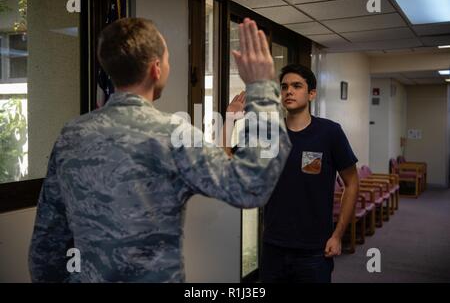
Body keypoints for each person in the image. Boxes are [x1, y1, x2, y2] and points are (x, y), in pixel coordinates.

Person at [28, 17, 292, 282]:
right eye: (166, 59)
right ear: (156, 68)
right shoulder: (174, 134)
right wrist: (261, 89)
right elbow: (251, 184)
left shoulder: (71, 136)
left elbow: (46, 245)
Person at [259, 64, 359, 283]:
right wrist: (230, 119)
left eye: (297, 86)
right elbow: (228, 159)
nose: (289, 91)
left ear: (311, 93)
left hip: (314, 250)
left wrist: (338, 235)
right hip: (273, 247)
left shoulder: (330, 133)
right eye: (284, 87)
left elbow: (351, 183)